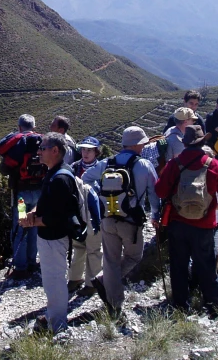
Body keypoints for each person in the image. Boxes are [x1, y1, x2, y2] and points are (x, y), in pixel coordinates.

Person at [155, 125, 218, 317]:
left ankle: (181, 305)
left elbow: (160, 191)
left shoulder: (175, 164)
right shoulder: (213, 164)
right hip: (204, 224)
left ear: (184, 143)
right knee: (206, 264)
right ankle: (213, 304)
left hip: (178, 223)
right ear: (203, 142)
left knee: (178, 264)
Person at [83, 126, 160, 317]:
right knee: (134, 256)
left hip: (108, 218)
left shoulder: (106, 163)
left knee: (110, 261)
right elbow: (155, 193)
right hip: (131, 221)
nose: (143, 147)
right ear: (136, 145)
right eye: (142, 143)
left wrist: (100, 197)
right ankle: (107, 285)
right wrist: (155, 216)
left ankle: (114, 304)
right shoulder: (144, 164)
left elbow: (86, 178)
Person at [19, 132, 80, 333]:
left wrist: (31, 222)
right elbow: (47, 204)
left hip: (54, 238)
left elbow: (57, 217)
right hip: (50, 237)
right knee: (52, 281)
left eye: (42, 148)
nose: (38, 152)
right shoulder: (55, 172)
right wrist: (33, 213)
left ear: (55, 151)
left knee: (54, 282)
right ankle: (55, 318)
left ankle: (58, 326)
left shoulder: (59, 179)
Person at [1, 114, 42, 279]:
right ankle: (32, 262)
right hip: (39, 193)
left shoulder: (19, 143)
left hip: (21, 196)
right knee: (34, 226)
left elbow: (5, 168)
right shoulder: (41, 142)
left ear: (19, 127)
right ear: (33, 126)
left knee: (20, 227)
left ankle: (20, 267)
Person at [67, 136, 103, 297]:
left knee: (94, 249)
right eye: (83, 149)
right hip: (77, 214)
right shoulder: (73, 167)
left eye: (89, 150)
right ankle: (75, 278)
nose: (85, 153)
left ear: (97, 151)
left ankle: (92, 283)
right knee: (78, 246)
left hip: (95, 214)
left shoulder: (103, 169)